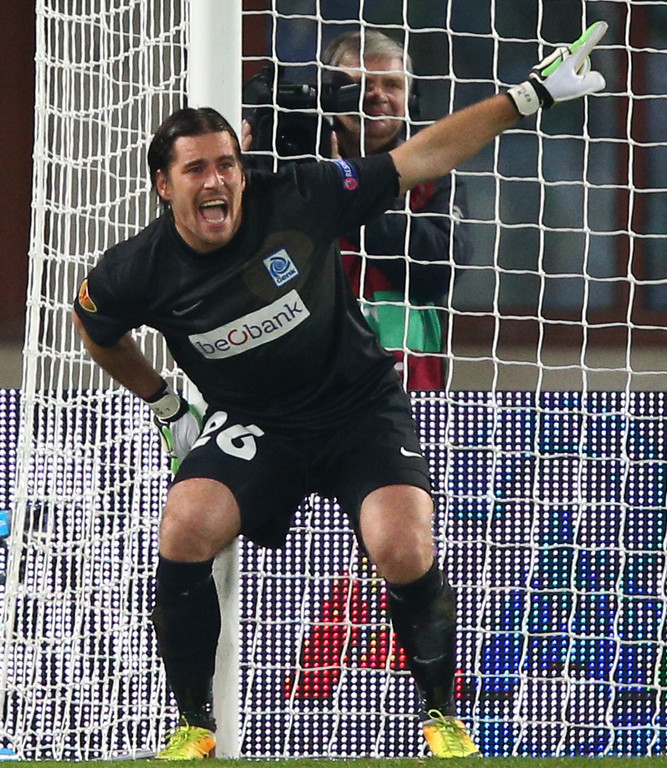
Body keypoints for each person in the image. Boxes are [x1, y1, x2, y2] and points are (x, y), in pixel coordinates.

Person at [72, 20, 607, 761]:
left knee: (402, 544)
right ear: (164, 185)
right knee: (184, 527)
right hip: (257, 423)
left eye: (226, 164)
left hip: (357, 407)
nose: (216, 181)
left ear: (243, 168)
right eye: (195, 170)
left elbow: (422, 155)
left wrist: (525, 98)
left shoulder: (299, 195)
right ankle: (194, 727)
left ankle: (443, 721)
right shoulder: (136, 268)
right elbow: (94, 326)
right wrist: (166, 403)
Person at [322, 30, 471, 389]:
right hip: (315, 383)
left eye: (392, 85)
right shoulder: (295, 169)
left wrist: (344, 193)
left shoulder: (433, 174)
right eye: (362, 84)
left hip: (409, 386)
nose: (378, 95)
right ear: (330, 94)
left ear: (411, 99)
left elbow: (440, 266)